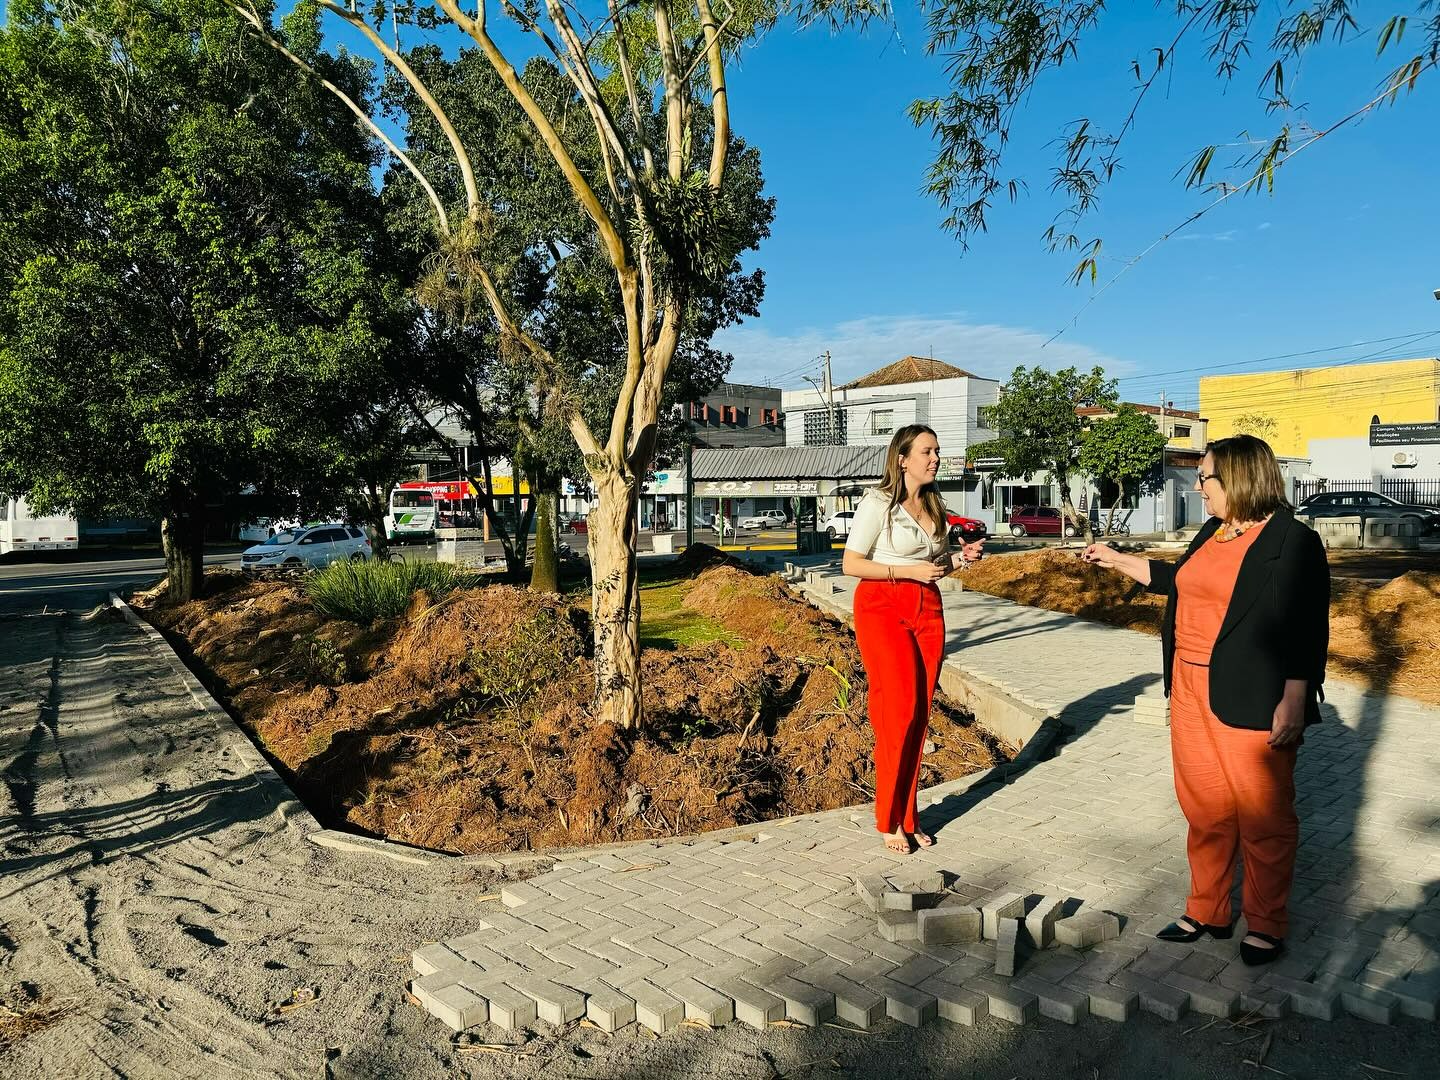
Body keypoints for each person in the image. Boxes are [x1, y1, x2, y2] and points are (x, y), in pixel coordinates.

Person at [1080, 435, 1329, 965]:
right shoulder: (1214, 531)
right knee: (1205, 807)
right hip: (1189, 687)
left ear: (1238, 478)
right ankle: (1209, 908)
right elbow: (1180, 582)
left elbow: (1309, 629)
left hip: (1251, 693)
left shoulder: (1293, 542)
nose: (1198, 486)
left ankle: (1265, 921)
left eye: (1206, 477)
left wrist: (1295, 696)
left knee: (1263, 814)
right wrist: (1118, 560)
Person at [842, 425, 986, 854]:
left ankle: (908, 816)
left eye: (938, 451)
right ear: (902, 458)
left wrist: (961, 559)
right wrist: (907, 572)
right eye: (927, 451)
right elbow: (851, 564)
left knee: (920, 714)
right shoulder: (878, 504)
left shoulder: (935, 507)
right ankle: (887, 818)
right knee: (898, 711)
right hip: (882, 607)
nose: (935, 458)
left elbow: (934, 564)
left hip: (928, 609)